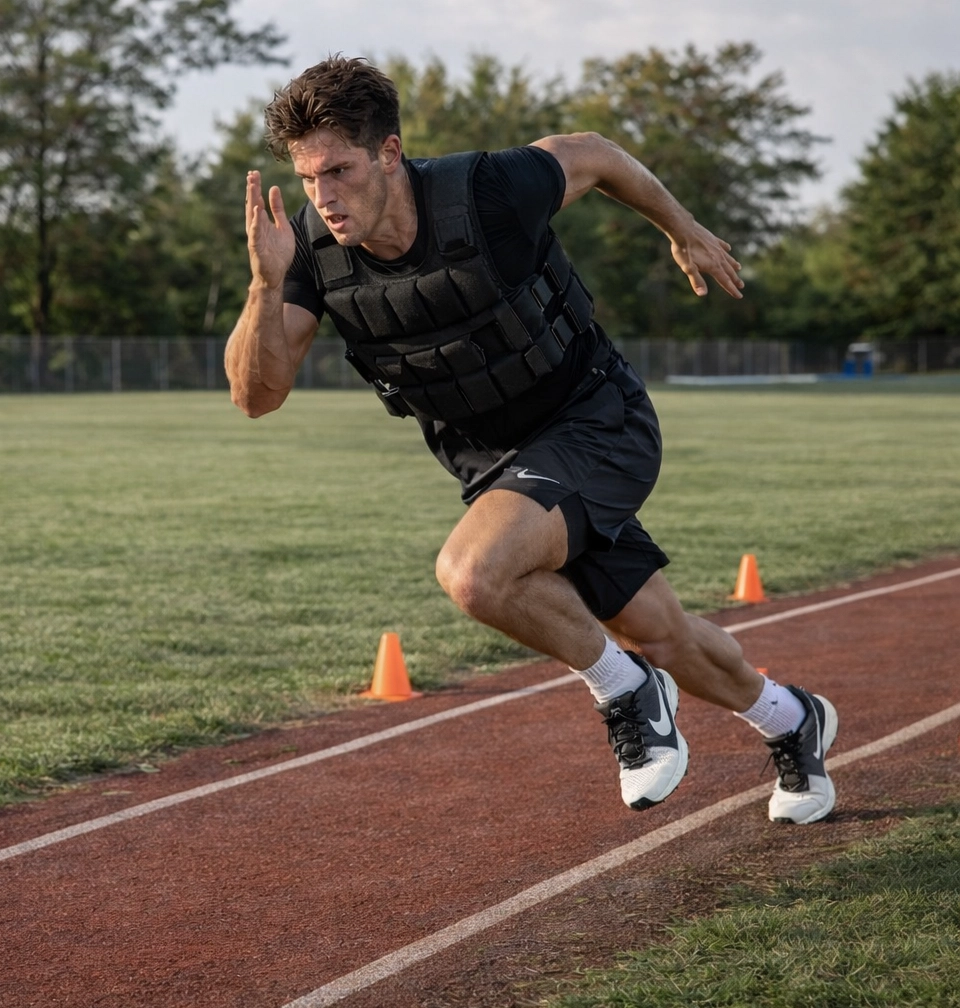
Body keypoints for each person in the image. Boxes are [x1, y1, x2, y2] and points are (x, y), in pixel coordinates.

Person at [226, 57, 837, 824]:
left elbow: (594, 152)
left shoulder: (485, 192)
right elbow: (257, 396)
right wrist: (263, 284)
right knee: (657, 629)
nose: (325, 196)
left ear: (388, 153)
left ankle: (629, 692)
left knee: (474, 575)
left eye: (340, 170)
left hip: (597, 418)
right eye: (310, 177)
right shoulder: (309, 253)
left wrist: (684, 230)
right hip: (499, 464)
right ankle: (794, 720)